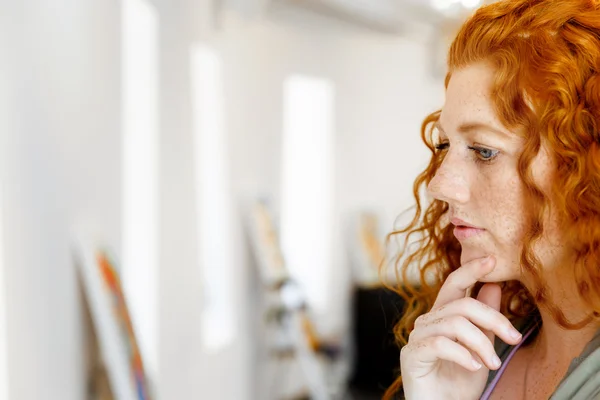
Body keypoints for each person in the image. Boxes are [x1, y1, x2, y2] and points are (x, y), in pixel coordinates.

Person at [381, 1, 600, 399]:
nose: (439, 185)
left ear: (586, 167)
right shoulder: (488, 352)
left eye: (483, 150)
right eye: (445, 144)